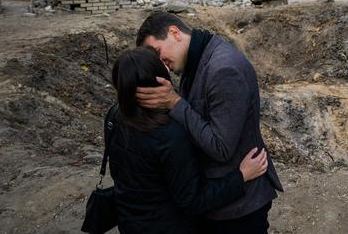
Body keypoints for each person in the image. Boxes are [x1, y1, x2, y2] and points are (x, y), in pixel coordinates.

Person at [134, 12, 283, 234]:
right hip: (215, 200)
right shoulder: (195, 60)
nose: (159, 62)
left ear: (174, 33)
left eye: (157, 52)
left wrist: (174, 102)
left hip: (238, 209)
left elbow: (221, 148)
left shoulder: (224, 69)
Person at [109, 46, 268, 234]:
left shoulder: (114, 116)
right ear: (157, 80)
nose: (167, 66)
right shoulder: (169, 135)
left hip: (130, 222)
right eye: (160, 64)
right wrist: (241, 176)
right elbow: (192, 201)